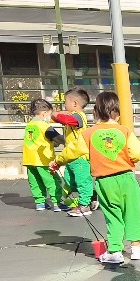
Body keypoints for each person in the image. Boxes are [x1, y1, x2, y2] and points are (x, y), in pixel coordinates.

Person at [84, 91, 140, 265]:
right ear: (118, 114)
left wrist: (58, 162)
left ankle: (114, 250)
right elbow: (137, 152)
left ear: (95, 112)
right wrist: (128, 159)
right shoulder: (124, 131)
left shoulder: (88, 133)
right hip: (126, 178)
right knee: (132, 212)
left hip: (104, 181)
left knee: (112, 215)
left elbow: (74, 151)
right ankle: (136, 247)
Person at [50, 88, 95, 216]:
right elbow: (59, 119)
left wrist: (55, 114)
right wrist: (54, 115)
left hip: (80, 156)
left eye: (66, 102)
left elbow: (66, 120)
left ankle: (84, 205)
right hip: (71, 156)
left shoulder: (79, 116)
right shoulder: (72, 115)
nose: (65, 105)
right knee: (70, 181)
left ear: (74, 103)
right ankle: (91, 196)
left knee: (82, 181)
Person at [23, 98, 63, 212]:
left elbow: (38, 140)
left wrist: (52, 143)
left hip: (29, 159)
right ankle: (57, 202)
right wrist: (70, 143)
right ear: (44, 113)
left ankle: (40, 202)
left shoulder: (30, 125)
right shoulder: (44, 126)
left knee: (35, 182)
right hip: (43, 160)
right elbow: (58, 138)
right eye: (50, 114)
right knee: (53, 180)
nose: (50, 117)